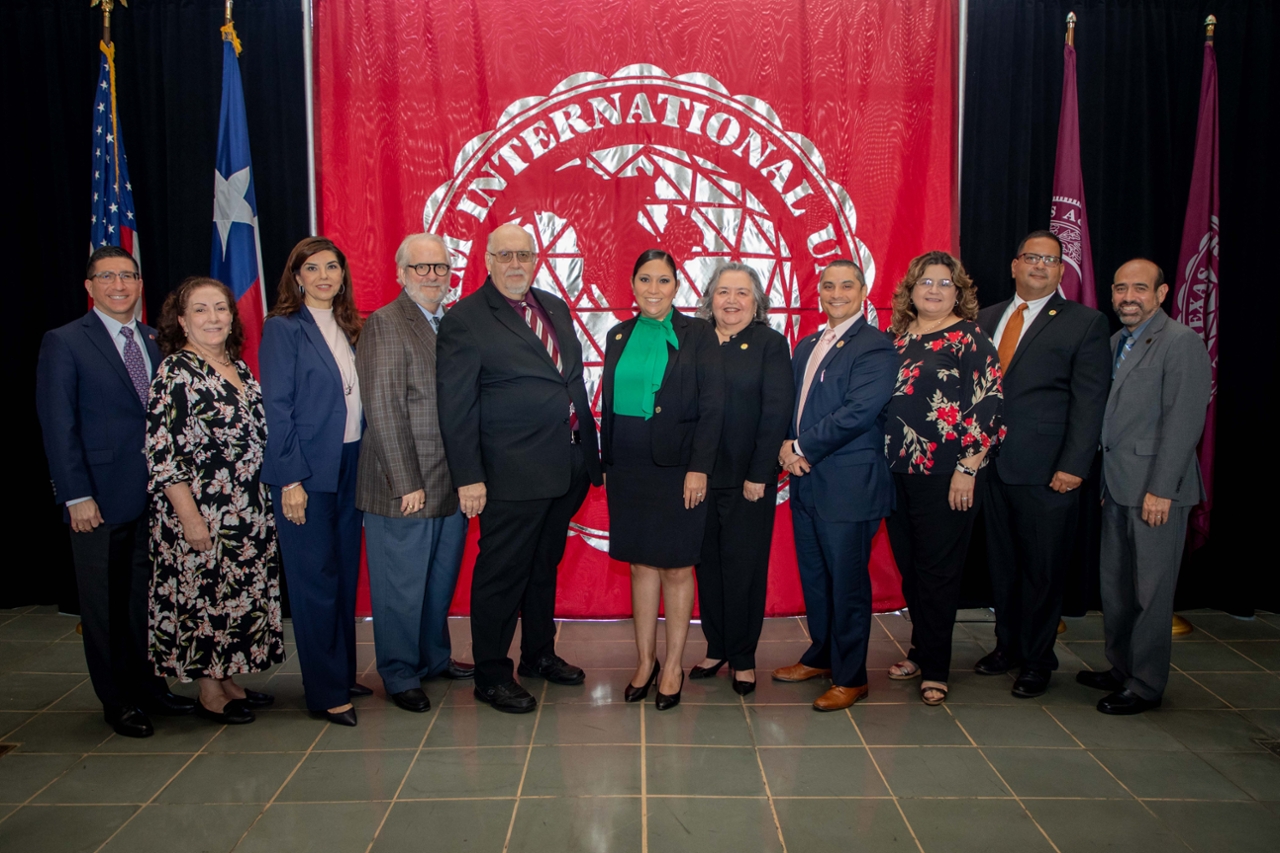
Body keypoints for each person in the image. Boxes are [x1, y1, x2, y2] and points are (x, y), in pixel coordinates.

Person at [436, 223, 603, 714]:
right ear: (486, 260)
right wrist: (469, 476)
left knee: (542, 568)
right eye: (505, 255)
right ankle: (491, 674)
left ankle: (538, 654)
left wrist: (587, 452)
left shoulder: (552, 305)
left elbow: (566, 378)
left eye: (524, 255)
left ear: (536, 259)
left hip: (567, 465)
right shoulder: (465, 319)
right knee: (501, 574)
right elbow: (456, 406)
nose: (515, 264)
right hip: (509, 473)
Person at [35, 246, 197, 738]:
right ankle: (117, 699)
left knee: (144, 602)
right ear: (90, 287)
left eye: (128, 275)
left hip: (154, 498)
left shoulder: (154, 340)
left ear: (140, 283)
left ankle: (150, 686)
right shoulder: (65, 342)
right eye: (108, 277)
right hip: (99, 499)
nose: (120, 285)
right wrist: (74, 494)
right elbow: (57, 424)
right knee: (103, 607)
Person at [974, 231, 1111, 698]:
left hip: (1048, 471)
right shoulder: (986, 317)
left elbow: (1090, 402)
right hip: (989, 467)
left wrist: (1074, 465)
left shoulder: (1084, 323)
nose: (1040, 266)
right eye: (1031, 258)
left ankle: (1038, 660)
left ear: (1060, 270)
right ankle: (1007, 647)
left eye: (1050, 260)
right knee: (1002, 565)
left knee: (1042, 570)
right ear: (1014, 265)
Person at [146, 277, 284, 725]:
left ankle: (229, 680)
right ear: (182, 321)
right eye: (201, 310)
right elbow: (162, 453)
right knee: (202, 599)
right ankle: (208, 689)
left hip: (247, 510)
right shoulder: (175, 372)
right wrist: (190, 518)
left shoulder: (239, 368)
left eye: (220, 309)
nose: (213, 318)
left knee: (236, 597)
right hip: (201, 512)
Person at [1076, 259, 1211, 715]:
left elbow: (1184, 421)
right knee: (1116, 588)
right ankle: (1120, 667)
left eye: (1139, 288)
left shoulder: (1181, 342)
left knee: (1151, 594)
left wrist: (1163, 489)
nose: (1127, 297)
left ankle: (1146, 684)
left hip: (1156, 491)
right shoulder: (1116, 342)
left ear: (1163, 292)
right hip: (1116, 486)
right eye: (1119, 289)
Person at [601, 250, 725, 710]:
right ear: (632, 285)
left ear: (678, 287)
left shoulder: (699, 335)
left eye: (664, 281)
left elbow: (713, 407)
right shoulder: (618, 334)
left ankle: (672, 665)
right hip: (628, 468)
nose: (654, 289)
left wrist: (700, 467)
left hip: (678, 470)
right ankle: (645, 661)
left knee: (676, 567)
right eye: (645, 280)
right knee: (639, 565)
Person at [356, 233, 473, 716]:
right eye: (421, 268)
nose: (432, 276)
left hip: (450, 482)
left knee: (437, 583)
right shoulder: (386, 324)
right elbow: (382, 408)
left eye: (440, 268)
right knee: (401, 587)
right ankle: (400, 671)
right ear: (401, 273)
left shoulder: (452, 323)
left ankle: (434, 657)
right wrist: (407, 482)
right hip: (403, 486)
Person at [773, 260, 897, 711]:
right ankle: (822, 655)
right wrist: (784, 448)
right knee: (817, 579)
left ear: (864, 290)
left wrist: (800, 447)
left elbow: (857, 413)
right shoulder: (807, 344)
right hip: (806, 482)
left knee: (847, 585)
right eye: (828, 285)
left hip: (848, 485)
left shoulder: (875, 347)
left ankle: (851, 676)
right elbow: (794, 405)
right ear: (819, 291)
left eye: (847, 285)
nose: (837, 292)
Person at [883, 251, 1004, 706]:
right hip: (895, 471)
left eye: (943, 283)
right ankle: (920, 649)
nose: (933, 290)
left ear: (959, 291)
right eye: (925, 282)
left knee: (938, 573)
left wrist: (968, 468)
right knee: (912, 570)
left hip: (945, 473)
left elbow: (988, 404)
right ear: (910, 290)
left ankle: (935, 668)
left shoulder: (971, 338)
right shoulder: (897, 338)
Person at [260, 237, 368, 727]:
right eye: (312, 267)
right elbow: (277, 409)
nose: (324, 275)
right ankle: (325, 692)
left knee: (343, 576)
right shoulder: (283, 330)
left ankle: (341, 672)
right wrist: (290, 480)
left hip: (352, 465)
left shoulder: (350, 325)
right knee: (314, 583)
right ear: (296, 276)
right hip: (306, 473)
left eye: (332, 267)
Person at [690, 262, 791, 695]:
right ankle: (717, 646)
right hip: (697, 479)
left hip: (748, 479)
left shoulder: (770, 344)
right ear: (709, 298)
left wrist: (759, 473)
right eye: (723, 292)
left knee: (743, 568)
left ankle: (744, 656)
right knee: (706, 565)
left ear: (757, 302)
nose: (731, 301)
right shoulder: (692, 342)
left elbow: (775, 413)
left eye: (742, 293)